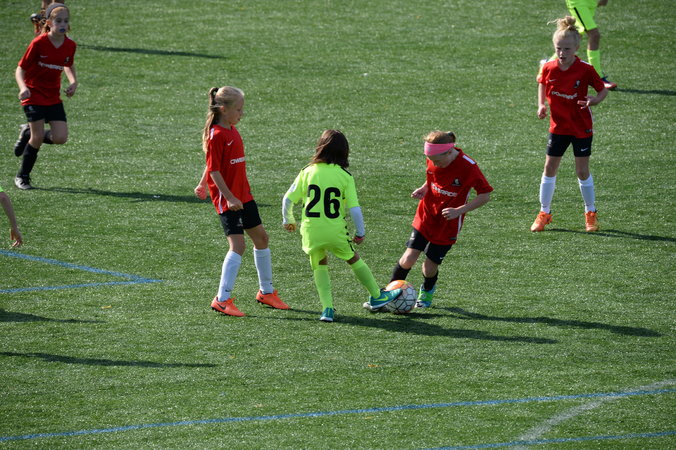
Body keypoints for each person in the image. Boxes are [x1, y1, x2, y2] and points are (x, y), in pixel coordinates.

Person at [282, 130, 401, 322]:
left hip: (311, 231)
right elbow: (354, 209)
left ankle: (327, 309)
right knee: (353, 258)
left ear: (320, 148)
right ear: (344, 152)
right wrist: (360, 232)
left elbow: (288, 199)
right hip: (335, 231)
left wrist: (288, 220)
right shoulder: (345, 176)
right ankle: (377, 296)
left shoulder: (307, 171)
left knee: (319, 265)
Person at [199, 86, 289, 317]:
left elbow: (212, 164)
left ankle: (266, 292)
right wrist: (229, 197)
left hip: (244, 196)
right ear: (223, 109)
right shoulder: (217, 134)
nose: (242, 113)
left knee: (262, 239)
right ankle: (222, 299)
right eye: (238, 109)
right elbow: (214, 170)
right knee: (238, 246)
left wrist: (202, 184)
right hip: (228, 200)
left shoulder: (232, 130)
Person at [388, 131, 492, 309]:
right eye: (431, 160)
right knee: (408, 259)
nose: (434, 164)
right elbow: (432, 176)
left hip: (447, 223)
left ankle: (427, 291)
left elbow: (485, 195)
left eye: (437, 161)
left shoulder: (469, 167)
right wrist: (424, 188)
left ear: (449, 152)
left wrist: (459, 210)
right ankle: (388, 295)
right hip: (426, 214)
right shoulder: (433, 158)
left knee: (429, 267)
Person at [532, 16, 609, 233]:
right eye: (558, 48)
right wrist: (541, 105)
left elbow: (602, 90)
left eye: (566, 49)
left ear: (576, 48)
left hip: (581, 128)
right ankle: (544, 213)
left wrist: (595, 100)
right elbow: (542, 83)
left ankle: (590, 213)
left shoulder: (585, 69)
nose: (562, 53)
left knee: (582, 171)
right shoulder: (549, 67)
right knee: (549, 168)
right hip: (558, 127)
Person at [14, 2, 77, 190]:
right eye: (58, 21)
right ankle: (22, 177)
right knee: (38, 137)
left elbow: (68, 64)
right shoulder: (38, 43)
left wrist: (73, 82)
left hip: (52, 96)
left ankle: (27, 132)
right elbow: (20, 69)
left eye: (65, 21)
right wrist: (23, 87)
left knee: (60, 137)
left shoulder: (70, 45)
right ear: (49, 23)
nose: (63, 24)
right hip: (33, 94)